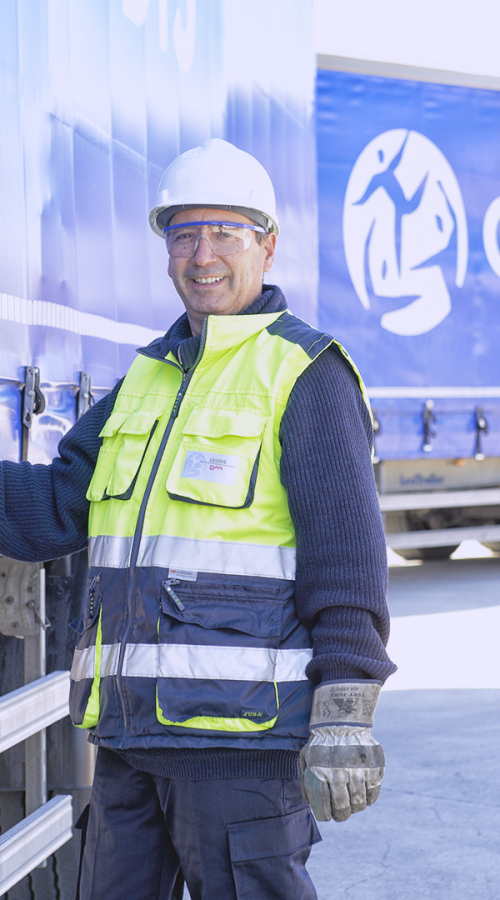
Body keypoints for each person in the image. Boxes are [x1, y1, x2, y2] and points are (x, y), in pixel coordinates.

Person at [0, 138, 395, 900]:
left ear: (267, 246)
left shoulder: (305, 373)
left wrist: (346, 714)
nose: (202, 254)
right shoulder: (145, 377)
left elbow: (346, 559)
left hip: (240, 746)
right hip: (125, 741)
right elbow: (57, 510)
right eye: (184, 234)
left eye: (225, 232)